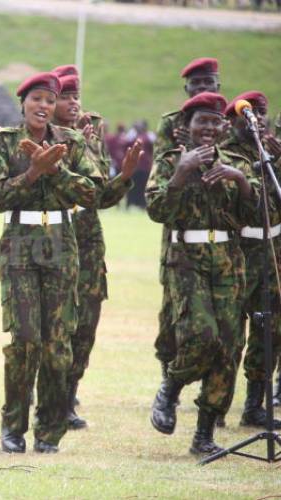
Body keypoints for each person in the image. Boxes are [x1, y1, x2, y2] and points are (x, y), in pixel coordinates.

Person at [0, 71, 101, 454]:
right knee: (26, 340)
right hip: (19, 245)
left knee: (58, 343)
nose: (44, 107)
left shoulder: (73, 141)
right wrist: (32, 173)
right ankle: (13, 426)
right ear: (23, 103)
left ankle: (49, 429)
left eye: (50, 101)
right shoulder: (3, 143)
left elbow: (92, 191)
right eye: (37, 99)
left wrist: (56, 169)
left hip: (61, 243)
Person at [147, 92, 258, 456]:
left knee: (228, 347)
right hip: (187, 259)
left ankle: (205, 432)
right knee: (202, 333)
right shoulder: (168, 161)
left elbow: (255, 213)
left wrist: (240, 180)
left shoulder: (237, 163)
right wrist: (181, 173)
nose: (208, 128)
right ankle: (172, 386)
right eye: (201, 121)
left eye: (215, 121)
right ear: (186, 127)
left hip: (228, 257)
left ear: (224, 126)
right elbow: (156, 209)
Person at [52, 73, 143, 430]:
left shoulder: (93, 134)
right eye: (65, 97)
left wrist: (124, 176)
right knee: (56, 324)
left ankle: (69, 396)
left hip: (87, 238)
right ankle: (50, 397)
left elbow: (101, 196)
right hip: (55, 237)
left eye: (77, 96)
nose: (74, 103)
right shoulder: (39, 136)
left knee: (85, 325)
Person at [152, 58, 222, 389]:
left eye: (208, 83)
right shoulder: (171, 124)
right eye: (196, 84)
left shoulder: (229, 121)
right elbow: (162, 171)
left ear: (218, 86)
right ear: (186, 89)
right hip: (179, 220)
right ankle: (170, 369)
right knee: (174, 303)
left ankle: (212, 383)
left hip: (218, 224)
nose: (203, 88)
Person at [220, 91, 281, 429]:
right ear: (234, 121)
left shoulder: (275, 154)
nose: (256, 118)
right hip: (239, 251)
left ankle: (255, 406)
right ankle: (214, 405)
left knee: (268, 331)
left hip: (272, 253)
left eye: (261, 112)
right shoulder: (226, 153)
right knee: (230, 334)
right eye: (250, 113)